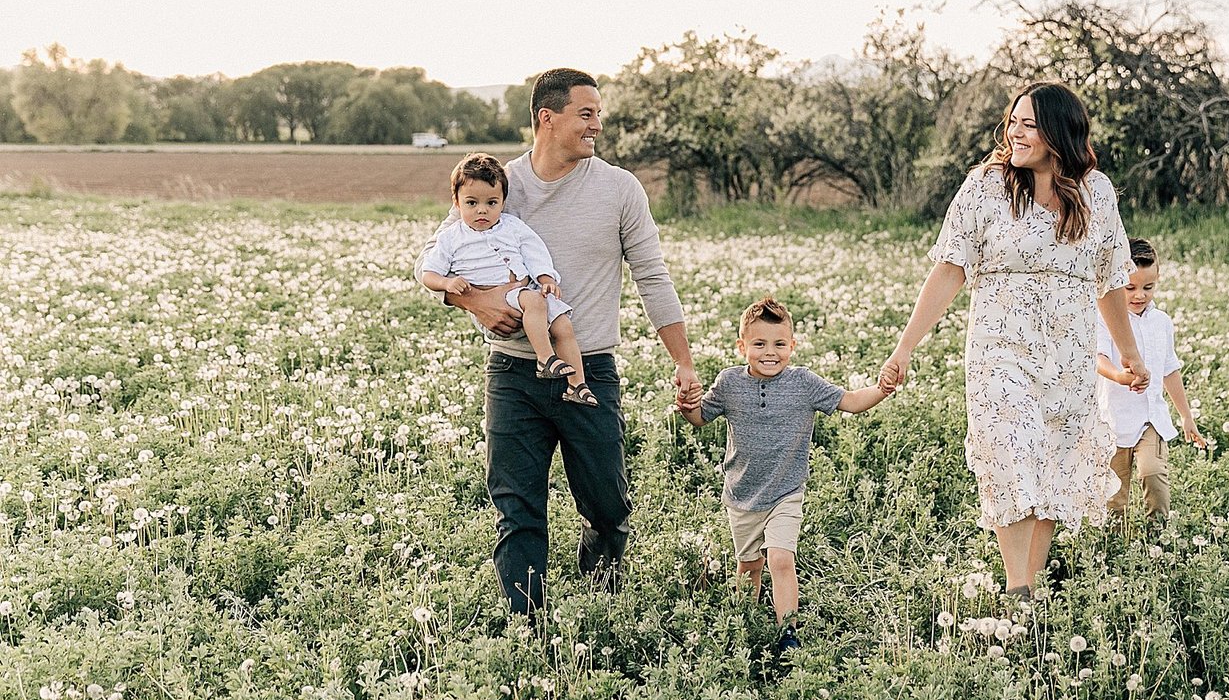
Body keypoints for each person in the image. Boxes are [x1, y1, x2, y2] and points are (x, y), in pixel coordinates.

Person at [414, 68, 701, 614]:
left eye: (598, 113)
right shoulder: (498, 184)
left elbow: (653, 277)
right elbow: (437, 258)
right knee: (518, 508)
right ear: (547, 118)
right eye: (586, 114)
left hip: (587, 370)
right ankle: (530, 625)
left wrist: (683, 362)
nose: (597, 124)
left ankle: (600, 606)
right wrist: (473, 301)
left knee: (608, 506)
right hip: (512, 373)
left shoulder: (619, 189)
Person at [878, 82, 1149, 599]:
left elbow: (1111, 280)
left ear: (1058, 134)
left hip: (1068, 353)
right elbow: (950, 268)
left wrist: (1130, 354)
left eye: (1029, 124)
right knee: (1010, 450)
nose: (1015, 132)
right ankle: (1017, 588)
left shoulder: (1097, 192)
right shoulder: (985, 187)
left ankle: (1031, 587)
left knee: (1051, 461)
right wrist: (906, 344)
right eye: (1013, 122)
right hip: (1000, 349)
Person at [678, 297, 889, 653]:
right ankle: (744, 621)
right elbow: (701, 418)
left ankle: (788, 633)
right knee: (749, 565)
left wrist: (882, 389)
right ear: (742, 346)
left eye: (779, 344)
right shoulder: (729, 383)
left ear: (792, 345)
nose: (769, 352)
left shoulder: (803, 383)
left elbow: (851, 401)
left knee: (780, 558)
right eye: (759, 344)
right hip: (742, 493)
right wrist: (687, 407)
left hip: (786, 492)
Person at [417, 152, 597, 408]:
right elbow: (428, 273)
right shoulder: (451, 238)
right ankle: (545, 358)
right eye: (471, 203)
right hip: (498, 297)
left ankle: (577, 386)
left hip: (525, 289)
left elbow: (535, 252)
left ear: (502, 202)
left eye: (491, 203)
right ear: (456, 203)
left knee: (564, 326)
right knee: (534, 301)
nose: (482, 210)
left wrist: (546, 278)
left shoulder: (512, 226)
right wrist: (447, 283)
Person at [1096, 238, 1204, 519]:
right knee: (1114, 495)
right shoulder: (1106, 317)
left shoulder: (1162, 322)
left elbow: (1170, 369)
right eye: (1130, 288)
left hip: (1151, 418)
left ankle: (1158, 539)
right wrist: (1119, 376)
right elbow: (1097, 359)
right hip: (1113, 420)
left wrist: (1186, 415)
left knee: (1154, 473)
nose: (1139, 295)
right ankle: (1114, 549)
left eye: (1148, 287)